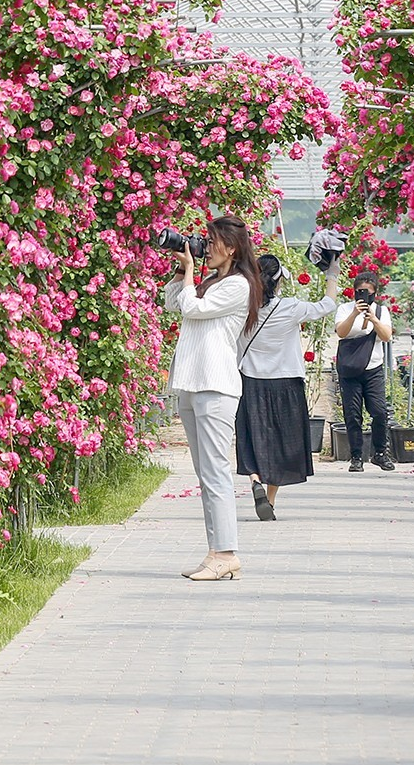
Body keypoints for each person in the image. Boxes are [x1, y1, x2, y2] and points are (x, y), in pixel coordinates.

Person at [161, 214, 263, 581]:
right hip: (193, 383)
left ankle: (227, 552)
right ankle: (215, 551)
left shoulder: (239, 285)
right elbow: (174, 302)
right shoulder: (210, 281)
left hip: (216, 385)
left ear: (231, 248)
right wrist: (181, 271)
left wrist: (190, 271)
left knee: (217, 471)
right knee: (205, 473)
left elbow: (193, 308)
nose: (205, 246)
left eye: (210, 240)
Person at [236, 252, 341, 520]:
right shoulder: (291, 307)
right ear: (279, 281)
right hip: (286, 383)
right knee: (281, 444)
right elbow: (328, 304)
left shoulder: (243, 307)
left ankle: (254, 480)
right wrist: (332, 272)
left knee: (252, 437)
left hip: (251, 382)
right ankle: (269, 501)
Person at [333, 269, 397, 472]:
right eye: (360, 291)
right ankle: (356, 457)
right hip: (350, 371)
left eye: (368, 292)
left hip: (373, 369)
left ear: (375, 293)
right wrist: (355, 313)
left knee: (379, 412)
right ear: (354, 292)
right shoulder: (345, 309)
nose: (363, 296)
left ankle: (379, 453)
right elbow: (341, 333)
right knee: (352, 415)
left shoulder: (381, 311)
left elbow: (386, 336)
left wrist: (373, 319)